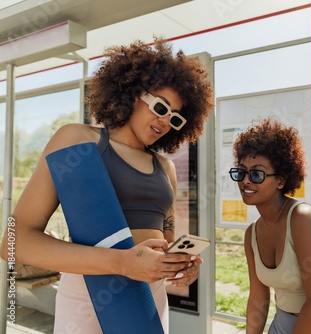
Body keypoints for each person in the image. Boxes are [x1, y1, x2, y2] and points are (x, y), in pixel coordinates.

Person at [0, 38, 213, 333]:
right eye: (161, 107)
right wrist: (122, 263)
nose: (165, 121)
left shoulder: (165, 169)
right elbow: (15, 242)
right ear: (134, 93)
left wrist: (178, 264)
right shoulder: (76, 140)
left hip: (151, 296)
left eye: (175, 118)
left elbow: (165, 243)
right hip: (91, 294)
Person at [229, 118, 311, 334]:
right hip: (281, 324)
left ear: (281, 180)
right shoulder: (252, 233)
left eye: (257, 174)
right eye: (241, 172)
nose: (246, 181)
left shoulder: (302, 218)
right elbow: (258, 299)